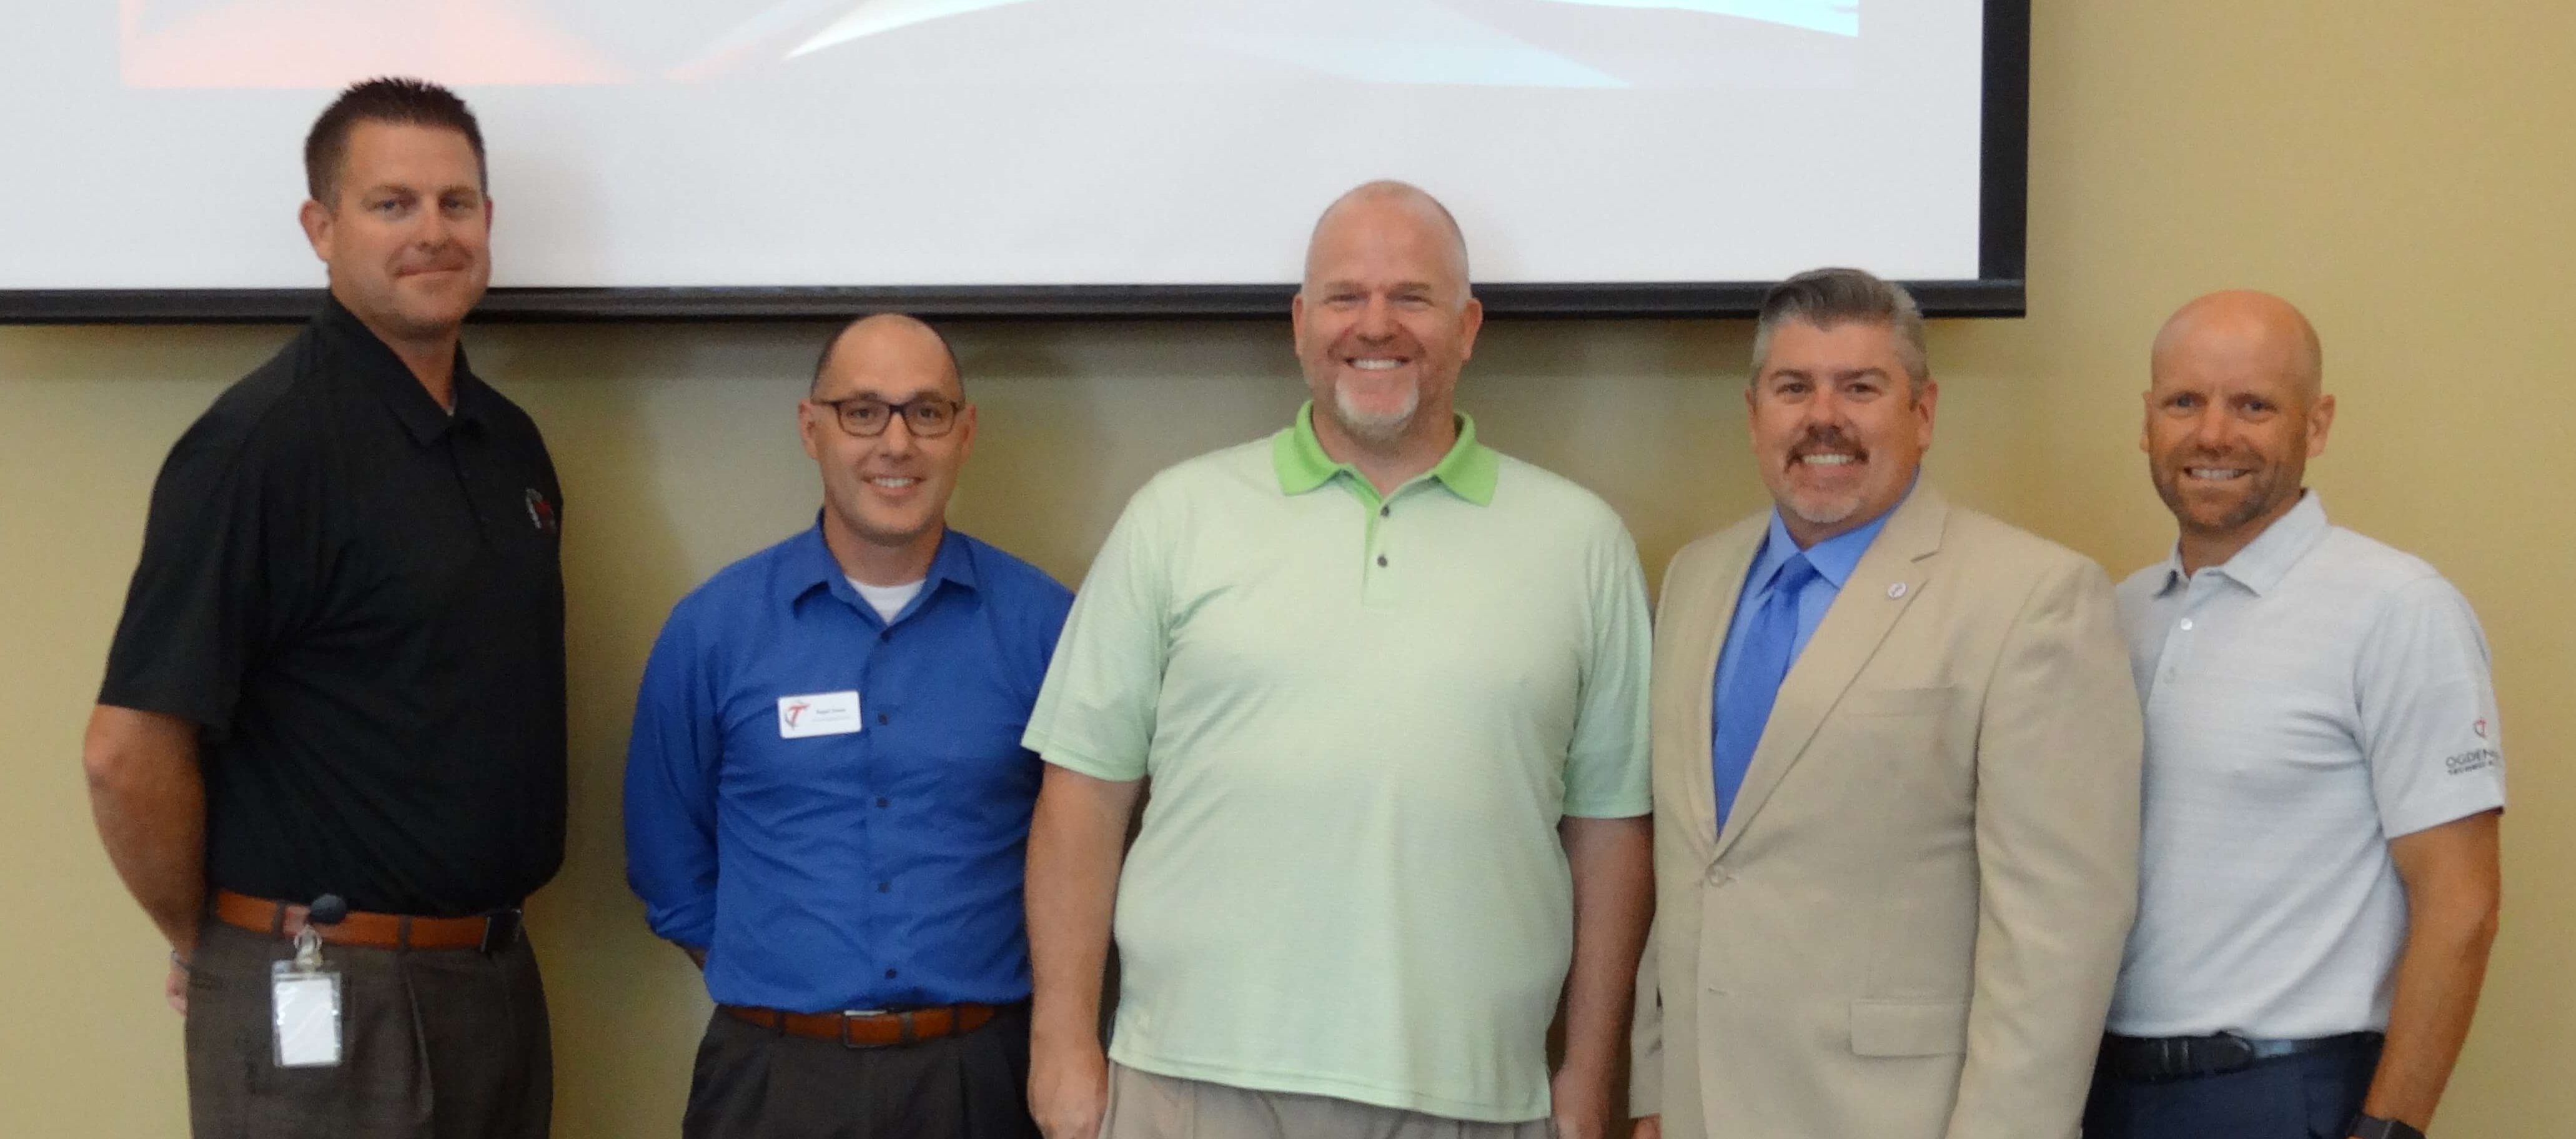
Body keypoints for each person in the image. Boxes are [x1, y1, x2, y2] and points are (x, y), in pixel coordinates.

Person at [1019, 181, 1655, 1139]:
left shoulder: (1582, 543)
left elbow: (1611, 834)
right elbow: (1084, 796)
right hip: (1192, 1082)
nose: (1376, 326)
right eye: (1345, 297)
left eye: (1412, 297)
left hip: (1475, 1096)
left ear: (1469, 325)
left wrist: (1590, 1076)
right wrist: (1060, 1047)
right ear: (1300, 322)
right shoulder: (1175, 517)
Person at [81, 77, 562, 1138]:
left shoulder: (511, 445)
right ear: (320, 227)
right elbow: (126, 751)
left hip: (495, 987)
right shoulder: (260, 447)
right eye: (393, 204)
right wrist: (204, 943)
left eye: (457, 204)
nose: (433, 233)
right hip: (324, 1000)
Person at [1629, 267, 2142, 1139]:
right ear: (1754, 414)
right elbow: (1691, 864)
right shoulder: (1695, 577)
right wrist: (1653, 1089)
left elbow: (2058, 940)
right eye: (1794, 388)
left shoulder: (2033, 598)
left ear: (1925, 413)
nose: (1823, 417)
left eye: (1861, 387)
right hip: (1699, 1110)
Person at [624, 313, 1071, 1139]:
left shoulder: (1047, 629)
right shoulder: (714, 630)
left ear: (964, 432)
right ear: (811, 428)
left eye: (926, 412)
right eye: (862, 411)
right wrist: (781, 983)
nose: (895, 443)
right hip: (774, 1079)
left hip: (982, 1078)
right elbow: (668, 860)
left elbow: (1088, 852)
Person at [2082, 292, 2504, 1139]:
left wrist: (2390, 1131)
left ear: (2316, 426)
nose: (2212, 434)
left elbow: (2461, 905)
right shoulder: (2112, 616)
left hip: (2285, 1094)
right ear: (2146, 422)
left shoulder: (2398, 609)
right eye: (2184, 402)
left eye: (2254, 405)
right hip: (2106, 1094)